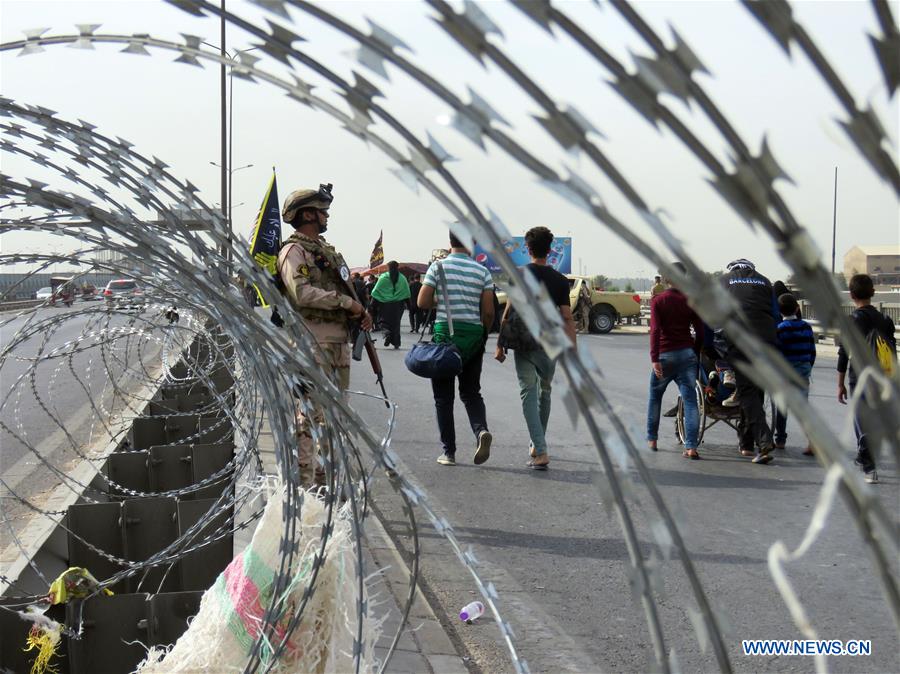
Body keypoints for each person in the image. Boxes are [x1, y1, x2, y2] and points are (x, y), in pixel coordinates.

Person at [276, 183, 372, 488]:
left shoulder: (325, 251)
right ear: (307, 214)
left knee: (333, 415)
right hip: (311, 343)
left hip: (337, 342)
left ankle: (328, 480)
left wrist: (360, 312)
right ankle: (303, 483)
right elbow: (301, 293)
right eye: (321, 211)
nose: (325, 216)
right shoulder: (294, 251)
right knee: (308, 414)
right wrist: (347, 303)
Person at [494, 227, 576, 470]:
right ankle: (537, 444)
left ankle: (540, 451)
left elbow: (508, 312)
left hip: (524, 341)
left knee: (528, 392)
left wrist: (500, 345)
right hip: (551, 341)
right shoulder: (561, 281)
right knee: (545, 392)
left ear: (527, 249)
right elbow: (567, 318)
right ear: (550, 251)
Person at [418, 231, 495, 466]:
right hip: (472, 337)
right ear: (472, 242)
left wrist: (441, 301)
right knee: (471, 392)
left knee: (443, 397)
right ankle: (481, 431)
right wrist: (483, 334)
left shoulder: (437, 268)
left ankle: (448, 452)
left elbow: (422, 302)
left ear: (450, 241)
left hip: (445, 337)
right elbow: (489, 312)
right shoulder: (482, 271)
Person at [716, 258, 779, 464]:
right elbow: (776, 316)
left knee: (747, 393)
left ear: (733, 269)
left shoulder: (724, 281)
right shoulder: (765, 282)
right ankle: (746, 443)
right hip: (766, 342)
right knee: (755, 391)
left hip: (740, 341)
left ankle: (764, 440)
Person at [837, 274, 896, 484]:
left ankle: (869, 466)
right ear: (872, 293)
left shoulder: (851, 321)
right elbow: (891, 350)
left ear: (851, 295)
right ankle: (866, 456)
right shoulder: (886, 320)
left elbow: (844, 353)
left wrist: (840, 383)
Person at [646, 262, 704, 458]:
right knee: (690, 400)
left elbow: (654, 331)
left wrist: (655, 358)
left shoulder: (658, 300)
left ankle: (652, 439)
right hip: (686, 354)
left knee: (655, 397)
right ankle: (691, 447)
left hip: (664, 355)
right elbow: (701, 330)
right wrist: (693, 350)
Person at [773, 293, 816, 455]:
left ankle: (780, 439)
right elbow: (812, 351)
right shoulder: (806, 327)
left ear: (779, 312)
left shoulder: (780, 329)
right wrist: (807, 366)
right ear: (798, 309)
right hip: (803, 372)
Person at [371, 261, 411, 349]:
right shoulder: (402, 278)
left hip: (385, 305)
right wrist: (409, 306)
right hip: (398, 305)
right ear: (397, 267)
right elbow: (407, 293)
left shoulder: (383, 277)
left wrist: (372, 306)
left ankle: (386, 333)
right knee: (396, 324)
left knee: (383, 322)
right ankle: (396, 343)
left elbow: (376, 292)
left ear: (388, 268)